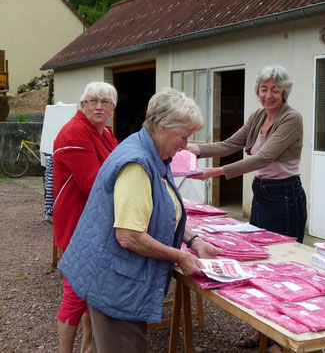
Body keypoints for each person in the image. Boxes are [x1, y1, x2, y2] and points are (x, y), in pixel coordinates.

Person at [57, 88, 221, 353]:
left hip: (115, 281)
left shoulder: (154, 151)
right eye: (183, 136)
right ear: (161, 126)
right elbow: (129, 236)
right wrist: (179, 256)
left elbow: (163, 210)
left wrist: (193, 239)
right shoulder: (138, 162)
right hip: (116, 285)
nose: (185, 145)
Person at [188, 65, 307, 352]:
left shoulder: (292, 119)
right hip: (263, 194)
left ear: (284, 92)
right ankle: (261, 331)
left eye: (274, 90)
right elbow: (232, 144)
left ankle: (281, 340)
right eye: (264, 89)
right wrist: (196, 149)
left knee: (284, 269)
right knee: (261, 266)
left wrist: (213, 173)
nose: (268, 95)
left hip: (285, 197)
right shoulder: (258, 116)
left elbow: (263, 158)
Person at [53, 82, 119, 353]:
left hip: (95, 223)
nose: (99, 106)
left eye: (105, 102)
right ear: (82, 105)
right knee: (76, 292)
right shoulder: (74, 133)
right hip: (78, 224)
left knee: (91, 292)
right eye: (92, 101)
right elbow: (94, 183)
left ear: (113, 108)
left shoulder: (104, 133)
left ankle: (88, 347)